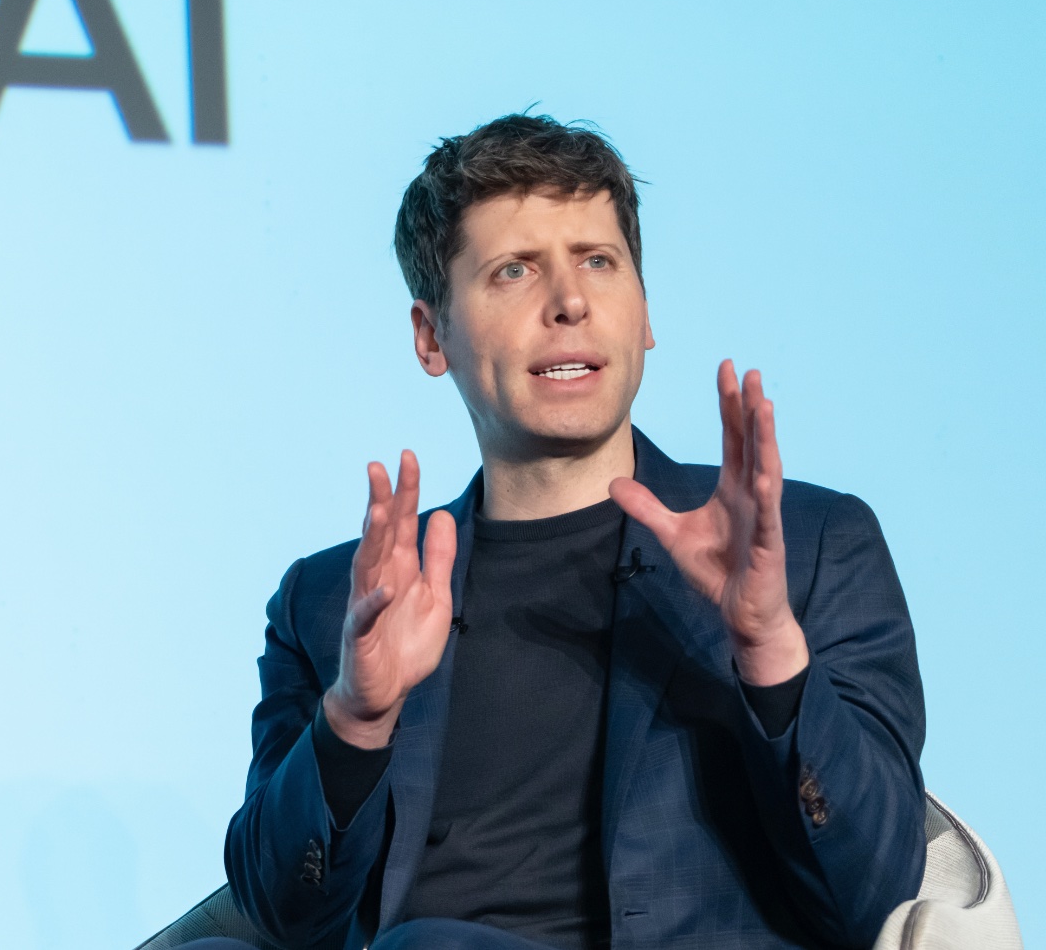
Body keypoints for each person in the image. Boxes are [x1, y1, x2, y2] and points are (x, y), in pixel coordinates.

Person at [213, 115, 925, 950]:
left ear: (644, 312)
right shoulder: (335, 599)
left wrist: (769, 647)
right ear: (431, 336)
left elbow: (875, 895)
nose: (570, 301)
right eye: (514, 270)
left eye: (597, 261)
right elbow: (283, 915)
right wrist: (356, 719)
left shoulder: (811, 546)